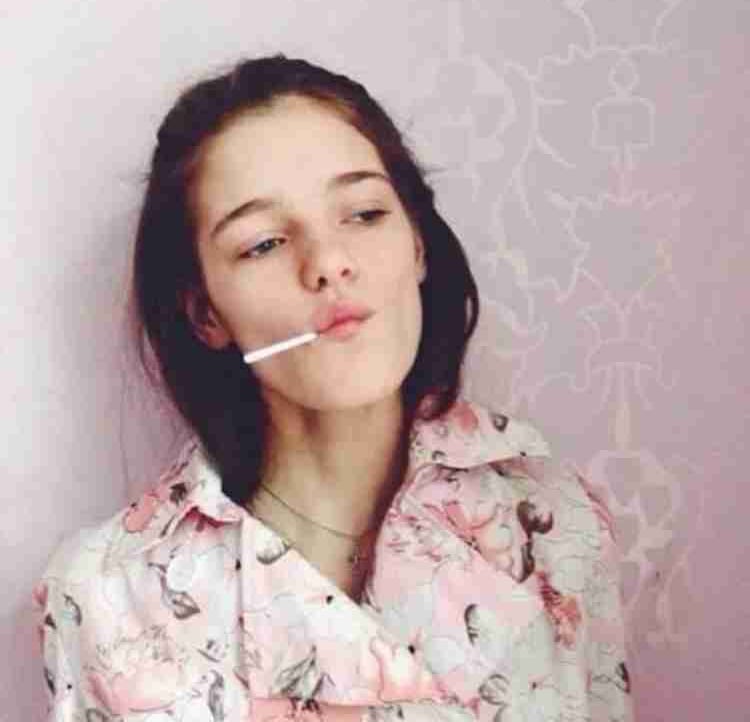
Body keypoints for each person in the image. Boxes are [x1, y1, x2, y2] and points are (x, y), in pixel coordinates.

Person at [32, 54, 633, 721]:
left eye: (365, 214)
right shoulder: (108, 598)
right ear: (206, 314)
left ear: (418, 245)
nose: (328, 263)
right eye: (263, 244)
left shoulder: (554, 519)